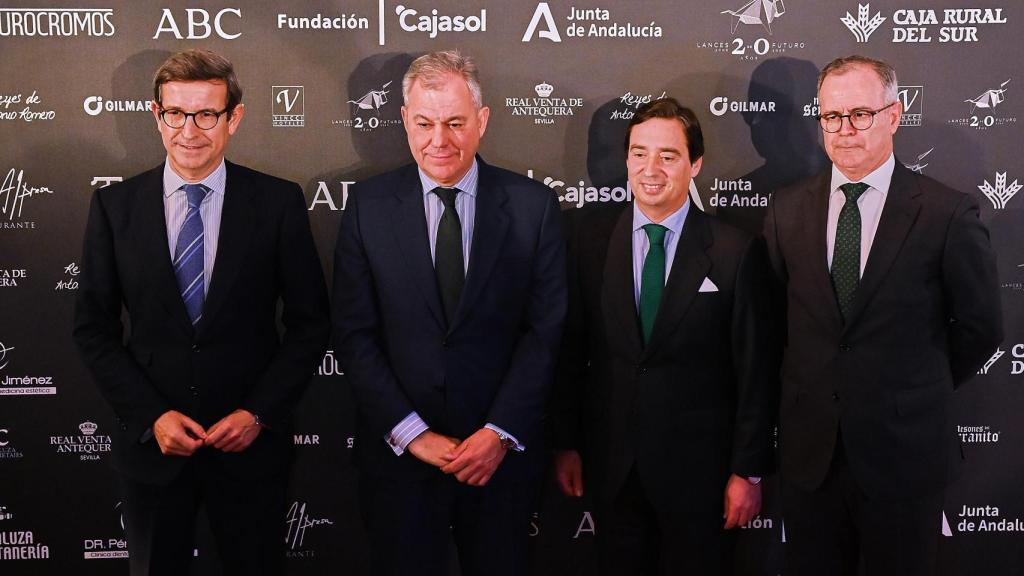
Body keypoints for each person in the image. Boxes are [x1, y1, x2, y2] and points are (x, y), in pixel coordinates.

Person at [73, 48, 330, 576]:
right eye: (176, 114)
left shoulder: (277, 203)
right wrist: (151, 417)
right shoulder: (115, 207)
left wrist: (258, 413)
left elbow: (309, 324)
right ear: (157, 115)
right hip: (153, 453)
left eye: (206, 114)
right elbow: (93, 329)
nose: (190, 130)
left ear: (233, 118)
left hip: (250, 453)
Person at [763, 55, 1003, 576]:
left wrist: (910, 385)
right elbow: (779, 322)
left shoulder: (946, 213)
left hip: (905, 456)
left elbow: (981, 330)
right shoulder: (786, 210)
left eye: (860, 114)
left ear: (894, 116)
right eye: (831, 117)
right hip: (811, 460)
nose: (845, 130)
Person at [332, 50, 566, 576]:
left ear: (482, 121)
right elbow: (354, 334)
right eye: (425, 123)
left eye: (455, 122)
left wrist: (498, 432)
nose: (440, 139)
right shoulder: (368, 207)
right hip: (400, 463)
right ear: (404, 122)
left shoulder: (533, 207)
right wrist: (413, 434)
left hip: (499, 464)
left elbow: (545, 332)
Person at [550, 98, 777, 575]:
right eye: (639, 153)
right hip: (613, 469)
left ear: (695, 164)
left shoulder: (735, 251)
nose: (650, 168)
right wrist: (566, 443)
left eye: (668, 155)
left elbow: (755, 371)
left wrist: (747, 471)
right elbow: (572, 351)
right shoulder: (588, 239)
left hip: (703, 478)